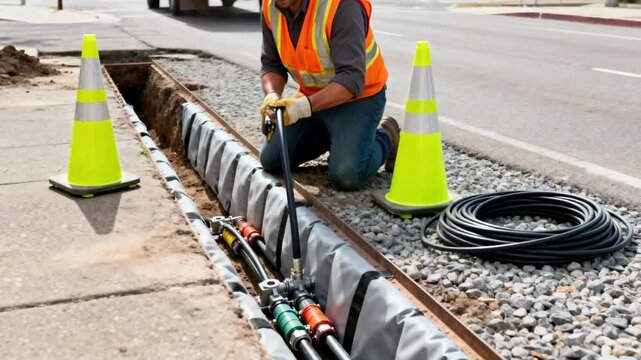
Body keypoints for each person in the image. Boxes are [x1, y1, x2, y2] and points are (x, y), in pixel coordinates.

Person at [259, 0, 400, 191]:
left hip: (359, 98)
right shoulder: (270, 7)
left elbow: (352, 78)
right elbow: (271, 64)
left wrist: (301, 108)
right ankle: (336, 135)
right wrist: (272, 96)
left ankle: (386, 136)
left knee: (347, 175)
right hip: (313, 98)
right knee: (271, 160)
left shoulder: (342, 6)